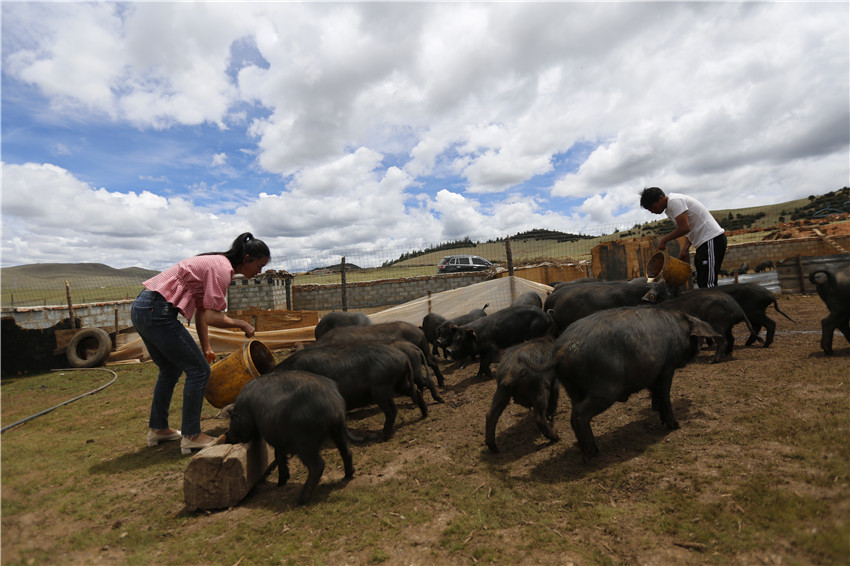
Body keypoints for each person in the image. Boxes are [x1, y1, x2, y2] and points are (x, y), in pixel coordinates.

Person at [131, 233, 270, 454]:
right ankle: (192, 436)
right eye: (259, 266)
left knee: (169, 370)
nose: (259, 272)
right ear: (247, 258)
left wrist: (206, 347)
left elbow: (202, 312)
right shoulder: (222, 269)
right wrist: (242, 324)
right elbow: (213, 317)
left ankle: (159, 429)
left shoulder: (216, 263)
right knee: (199, 371)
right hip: (156, 312)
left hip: (142, 308)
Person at [640, 187, 727, 288]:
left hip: (711, 240)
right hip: (703, 244)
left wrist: (664, 240)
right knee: (703, 281)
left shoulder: (674, 201)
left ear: (661, 198)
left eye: (652, 207)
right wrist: (684, 249)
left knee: (708, 284)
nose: (652, 211)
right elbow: (690, 228)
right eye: (649, 209)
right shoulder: (669, 209)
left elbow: (685, 227)